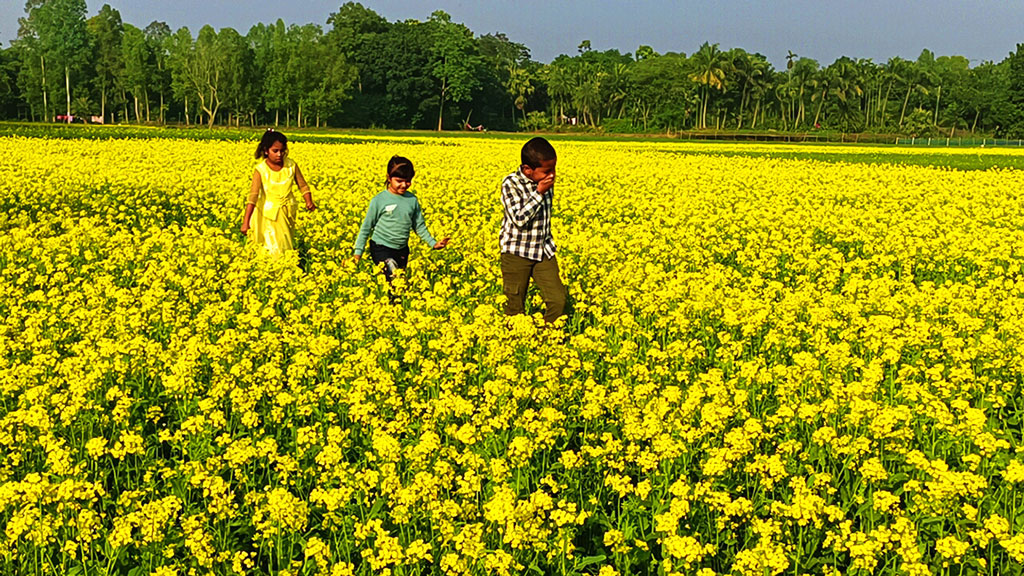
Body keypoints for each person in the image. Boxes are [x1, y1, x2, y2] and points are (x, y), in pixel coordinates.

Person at [352, 156, 450, 294]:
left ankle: (394, 309)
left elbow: (419, 226)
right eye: (399, 181)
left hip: (402, 249)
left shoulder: (412, 200)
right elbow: (366, 228)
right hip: (381, 247)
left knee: (398, 286)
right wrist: (357, 254)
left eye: (408, 181)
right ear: (388, 177)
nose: (404, 185)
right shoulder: (379, 200)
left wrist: (433, 243)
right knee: (394, 276)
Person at [499, 137, 566, 323]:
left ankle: (547, 340)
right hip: (516, 252)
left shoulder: (546, 181)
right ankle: (515, 343)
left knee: (558, 300)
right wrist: (539, 193)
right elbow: (519, 219)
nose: (552, 175)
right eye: (547, 171)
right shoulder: (511, 184)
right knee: (514, 305)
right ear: (528, 170)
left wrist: (542, 187)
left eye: (554, 169)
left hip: (543, 250)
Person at [241, 129, 316, 255]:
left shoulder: (291, 165)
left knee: (286, 242)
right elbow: (253, 197)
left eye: (282, 151)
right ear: (266, 150)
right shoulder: (261, 170)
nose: (279, 154)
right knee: (275, 246)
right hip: (269, 215)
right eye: (275, 151)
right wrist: (246, 221)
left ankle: (286, 268)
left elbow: (302, 185)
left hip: (288, 213)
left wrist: (308, 201)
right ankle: (277, 270)